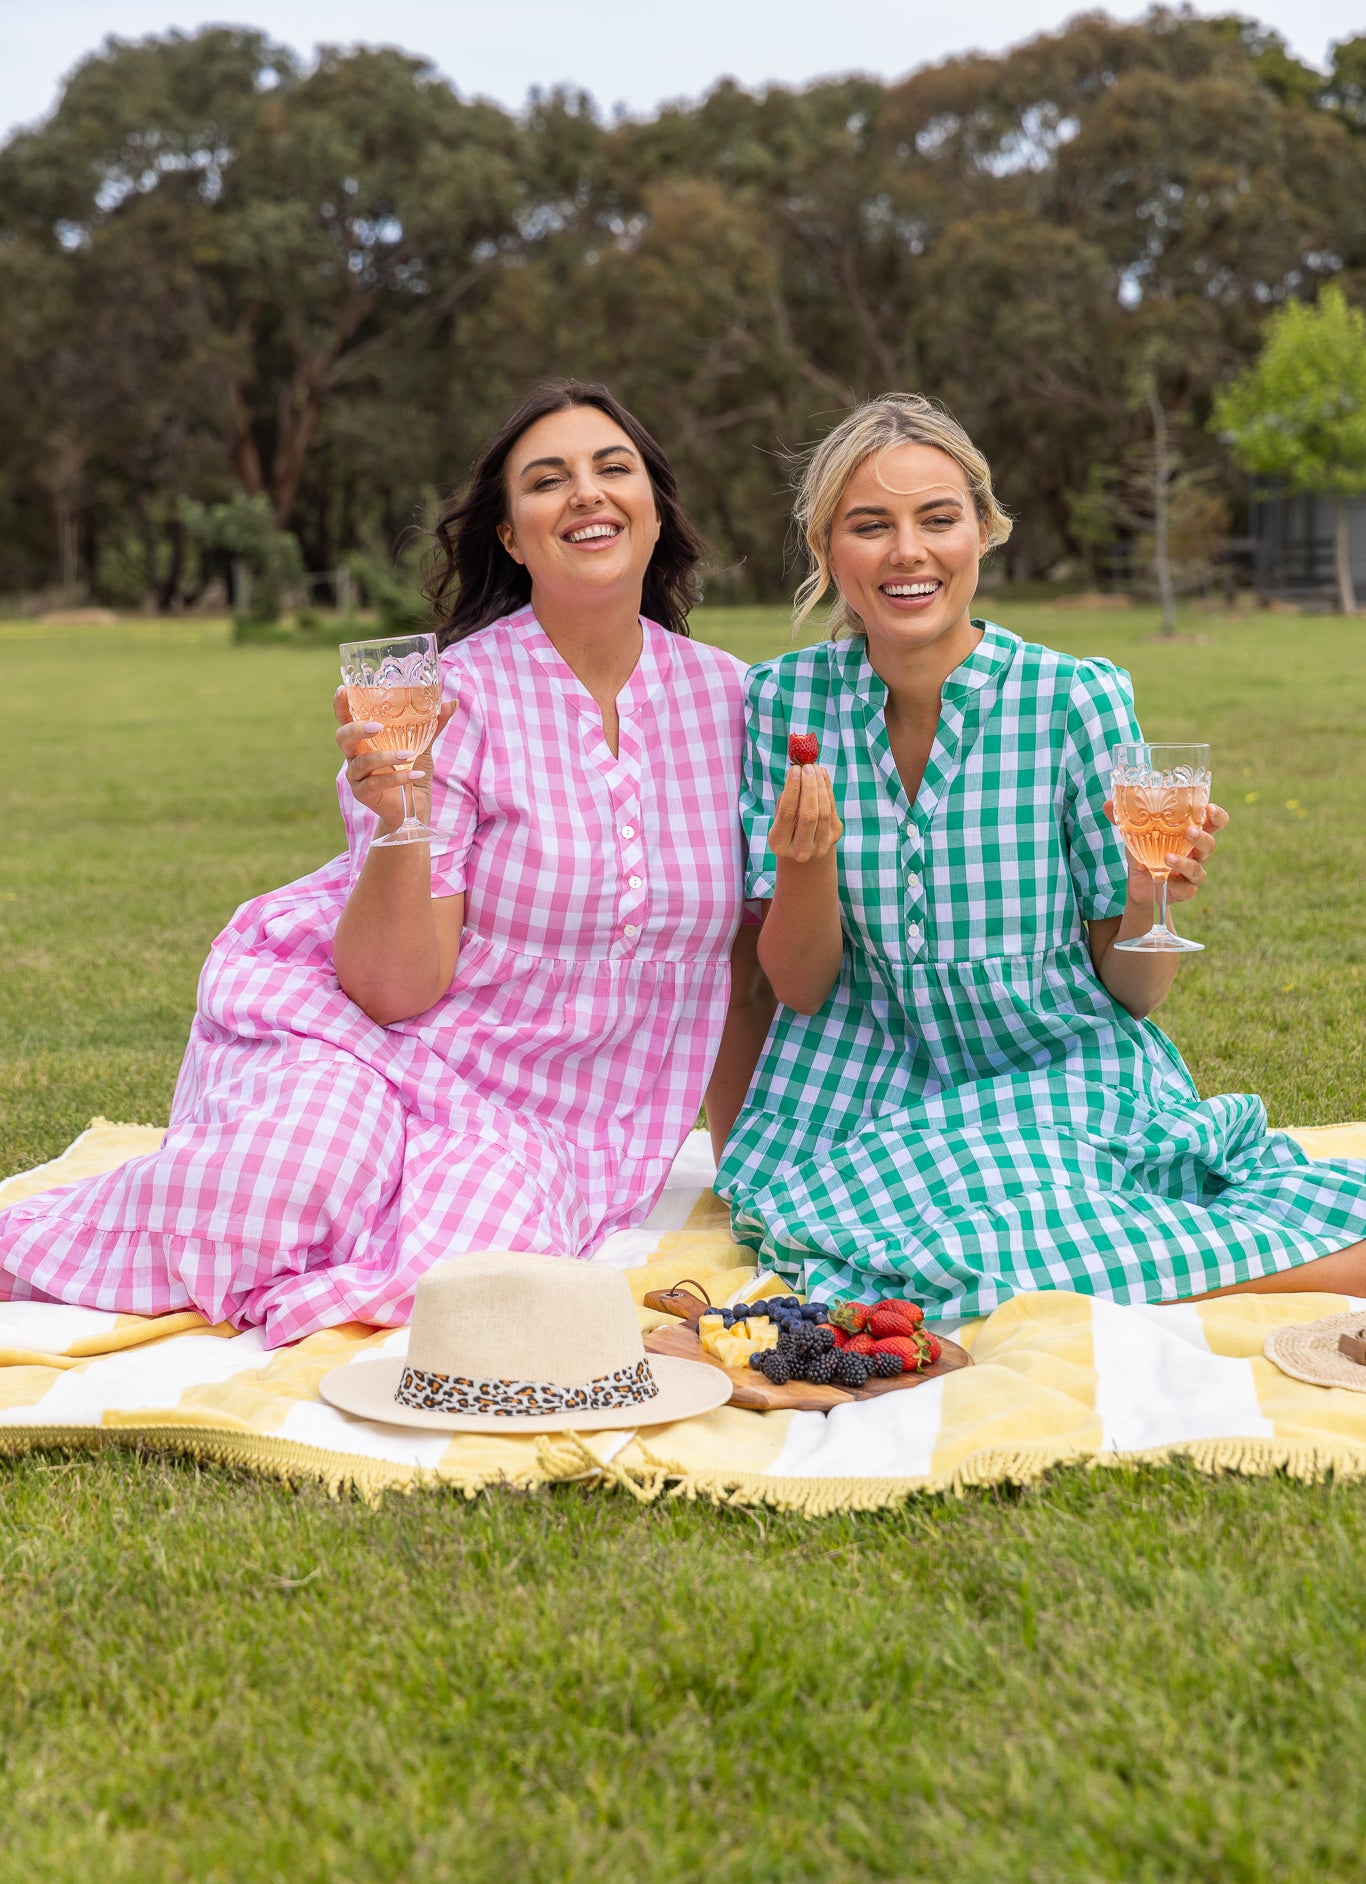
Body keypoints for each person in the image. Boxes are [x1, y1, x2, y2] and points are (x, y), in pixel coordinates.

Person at [0, 381, 773, 1346]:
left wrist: (747, 1174)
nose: (586, 493)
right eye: (547, 480)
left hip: (548, 1120)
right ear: (508, 534)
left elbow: (741, 971)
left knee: (465, 1281)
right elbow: (393, 988)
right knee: (289, 1178)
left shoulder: (739, 702)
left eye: (612, 469)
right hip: (358, 1027)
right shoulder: (444, 694)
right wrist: (401, 817)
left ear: (656, 513)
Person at [716, 394, 1366, 1326]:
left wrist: (1148, 895)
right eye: (871, 525)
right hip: (860, 1089)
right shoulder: (784, 704)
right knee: (923, 1220)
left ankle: (1315, 1267)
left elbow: (1133, 991)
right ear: (826, 549)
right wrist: (807, 862)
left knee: (985, 1216)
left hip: (1056, 1069)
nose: (908, 551)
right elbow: (802, 986)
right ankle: (1247, 1268)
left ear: (984, 531)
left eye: (938, 518)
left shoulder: (1074, 699)